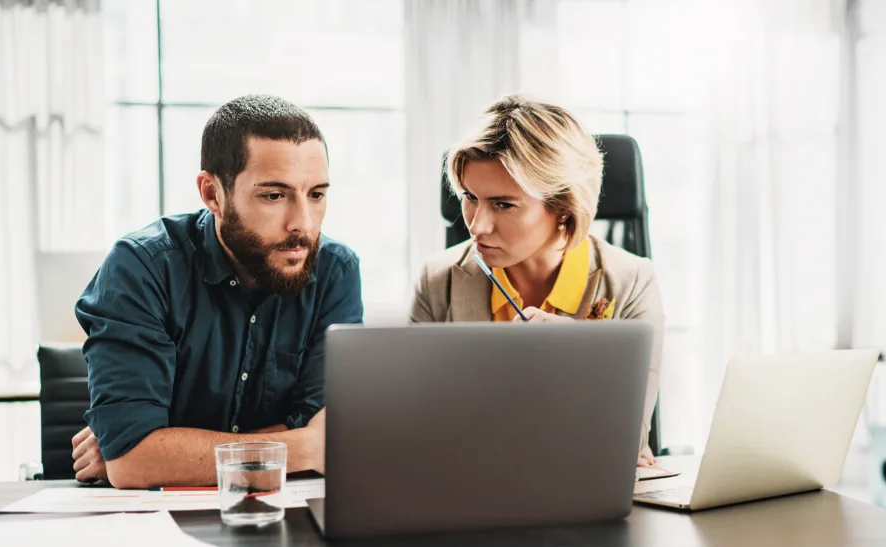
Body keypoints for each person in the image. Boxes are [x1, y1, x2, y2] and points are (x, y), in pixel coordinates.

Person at [71, 95, 363, 488]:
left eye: (316, 194)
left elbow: (324, 426)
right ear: (212, 194)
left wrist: (171, 453)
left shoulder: (335, 271)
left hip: (280, 520)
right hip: (155, 527)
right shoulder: (142, 268)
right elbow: (134, 459)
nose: (303, 224)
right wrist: (304, 449)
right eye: (274, 196)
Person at [409, 95, 664, 467]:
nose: (476, 225)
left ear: (563, 207)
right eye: (469, 197)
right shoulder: (437, 281)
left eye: (503, 204)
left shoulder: (631, 282)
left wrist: (579, 360)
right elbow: (421, 433)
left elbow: (625, 444)